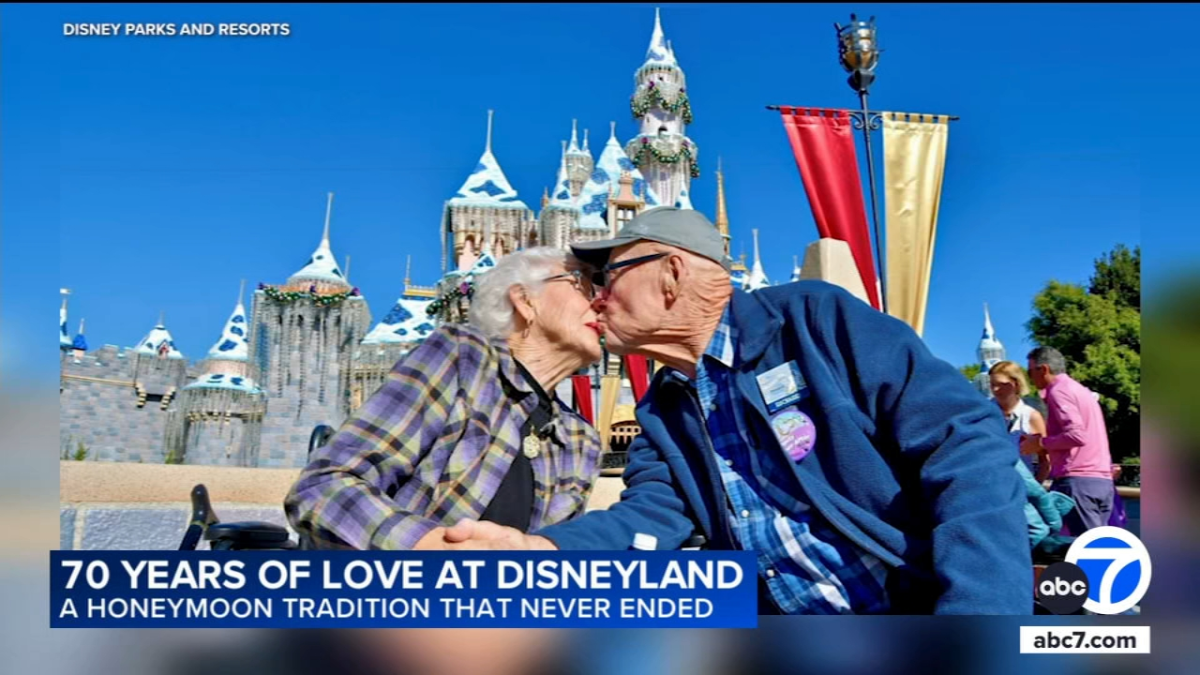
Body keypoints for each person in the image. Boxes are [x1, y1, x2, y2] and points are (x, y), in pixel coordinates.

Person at [445, 207, 1032, 615]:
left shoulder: (812, 321)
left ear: (671, 274)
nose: (595, 297)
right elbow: (653, 515)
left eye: (607, 275)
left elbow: (965, 444)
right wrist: (541, 553)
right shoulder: (662, 410)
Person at [284, 247, 605, 550]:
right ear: (525, 300)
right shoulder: (464, 358)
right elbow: (321, 489)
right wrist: (427, 547)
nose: (602, 301)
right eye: (584, 283)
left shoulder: (580, 440)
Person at [1021, 346, 1115, 535]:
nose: (1030, 377)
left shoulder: (1059, 391)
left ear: (1044, 369)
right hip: (1101, 482)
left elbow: (1077, 436)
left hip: (1077, 483)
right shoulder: (1081, 391)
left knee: (1088, 554)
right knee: (1097, 551)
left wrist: (1039, 444)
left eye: (1030, 371)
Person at [988, 360, 1048, 477]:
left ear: (1016, 384)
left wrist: (1037, 490)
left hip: (1022, 487)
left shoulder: (1031, 416)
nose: (995, 389)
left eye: (1001, 384)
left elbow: (1045, 460)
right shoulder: (984, 413)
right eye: (992, 384)